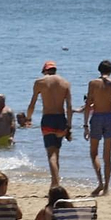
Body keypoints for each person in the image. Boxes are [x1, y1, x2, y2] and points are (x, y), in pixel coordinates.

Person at [24, 61, 73, 189]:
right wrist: (69, 126)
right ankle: (55, 181)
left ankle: (55, 184)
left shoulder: (40, 82)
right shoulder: (65, 83)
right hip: (61, 119)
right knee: (56, 152)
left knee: (51, 154)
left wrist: (28, 118)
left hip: (48, 119)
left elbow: (32, 103)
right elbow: (69, 107)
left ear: (45, 71)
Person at [83, 60, 111, 196]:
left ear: (99, 70)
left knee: (93, 152)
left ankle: (100, 182)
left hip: (97, 117)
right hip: (110, 118)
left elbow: (88, 104)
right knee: (108, 155)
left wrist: (85, 124)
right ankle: (106, 187)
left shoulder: (93, 83)